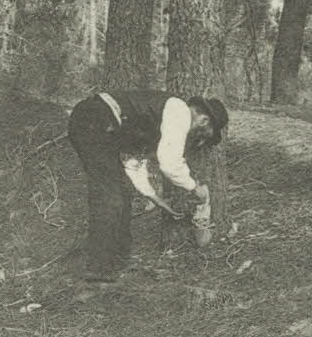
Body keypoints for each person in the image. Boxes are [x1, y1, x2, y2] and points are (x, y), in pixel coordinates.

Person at [67, 89, 228, 283]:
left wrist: (157, 200)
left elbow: (134, 165)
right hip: (95, 119)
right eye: (202, 134)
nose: (195, 138)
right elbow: (170, 163)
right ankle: (100, 270)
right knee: (110, 195)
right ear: (203, 120)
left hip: (98, 124)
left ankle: (117, 261)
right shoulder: (180, 111)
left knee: (121, 191)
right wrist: (195, 188)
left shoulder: (157, 122)